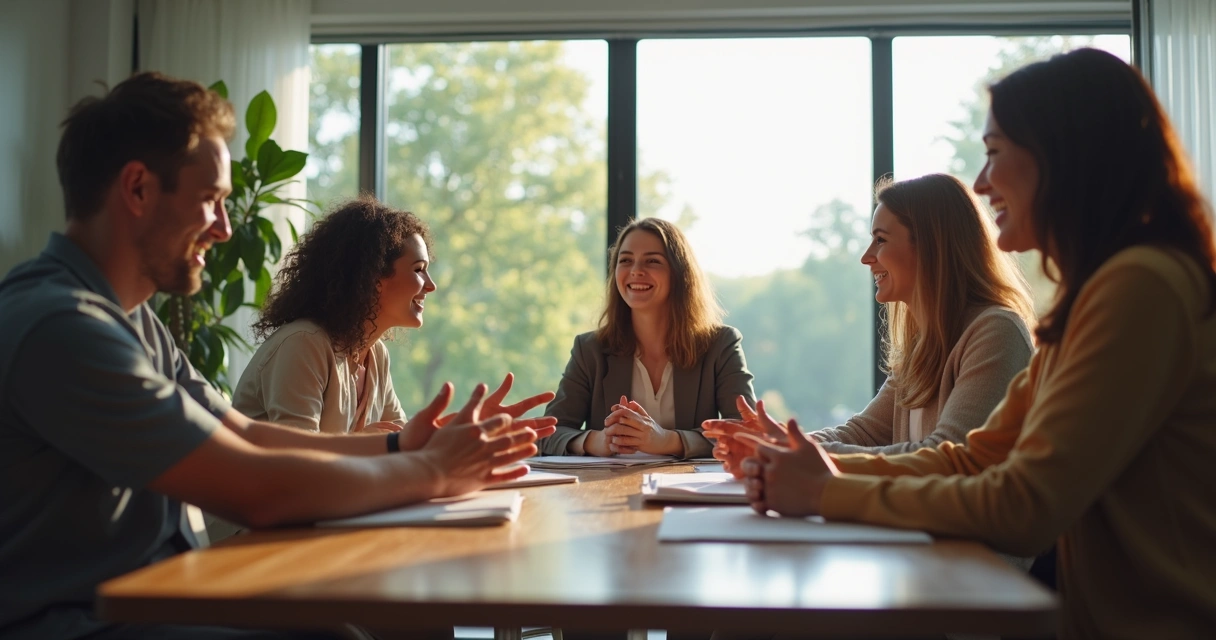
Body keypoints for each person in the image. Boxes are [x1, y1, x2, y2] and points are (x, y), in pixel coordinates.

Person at [0, 72, 547, 640]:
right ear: (137, 189)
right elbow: (258, 490)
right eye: (210, 200)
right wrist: (432, 470)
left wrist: (398, 444)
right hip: (77, 623)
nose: (223, 227)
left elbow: (243, 433)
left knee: (373, 624)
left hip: (151, 599)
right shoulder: (61, 326)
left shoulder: (132, 320)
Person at [732, 49, 1216, 639]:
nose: (982, 182)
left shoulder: (1140, 284)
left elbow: (1025, 505)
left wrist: (827, 489)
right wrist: (812, 468)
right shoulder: (1095, 297)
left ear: (1063, 155)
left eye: (993, 154)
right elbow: (972, 457)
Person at [708, 173, 1034, 462]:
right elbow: (863, 433)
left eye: (880, 240)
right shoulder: (924, 344)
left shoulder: (996, 332)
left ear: (932, 247)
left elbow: (947, 453)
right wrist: (773, 444)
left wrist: (794, 452)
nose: (867, 257)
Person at [233, 197, 554, 438]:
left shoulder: (376, 355)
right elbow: (297, 467)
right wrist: (370, 444)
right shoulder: (305, 344)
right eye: (418, 270)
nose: (431, 285)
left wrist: (466, 426)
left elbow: (403, 439)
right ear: (372, 277)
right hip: (259, 528)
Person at [540, 217, 756, 460]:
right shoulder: (589, 349)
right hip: (606, 488)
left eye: (652, 261)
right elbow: (548, 433)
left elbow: (746, 431)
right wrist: (595, 441)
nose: (636, 271)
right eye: (625, 260)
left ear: (680, 274)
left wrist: (666, 440)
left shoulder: (721, 344)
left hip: (686, 491)